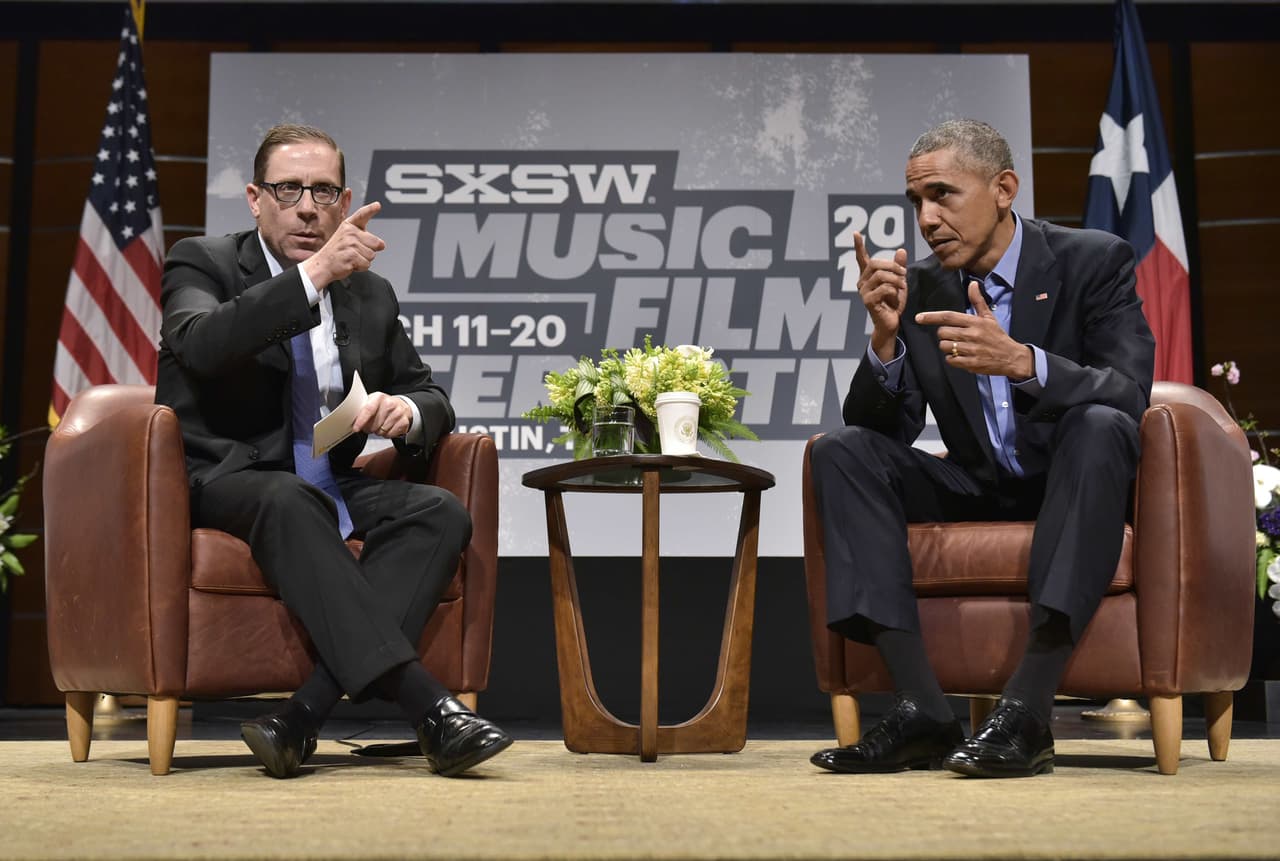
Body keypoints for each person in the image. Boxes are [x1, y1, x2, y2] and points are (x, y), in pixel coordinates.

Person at [155, 123, 512, 779]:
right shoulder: (201, 260)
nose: (308, 206)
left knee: (437, 512)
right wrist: (312, 274)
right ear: (255, 198)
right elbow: (201, 343)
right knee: (290, 497)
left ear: (344, 203)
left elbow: (426, 390)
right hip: (229, 480)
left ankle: (300, 716)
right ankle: (429, 707)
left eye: (323, 191)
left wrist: (407, 412)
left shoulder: (368, 292)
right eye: (289, 189)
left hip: (328, 478)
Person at [808, 119, 1154, 778]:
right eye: (916, 202)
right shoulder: (926, 289)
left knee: (1100, 423)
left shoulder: (1093, 260)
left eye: (942, 194)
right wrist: (884, 343)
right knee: (842, 451)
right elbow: (885, 429)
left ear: (1003, 189)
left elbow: (1129, 392)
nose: (927, 218)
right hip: (976, 484)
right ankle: (923, 710)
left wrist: (1026, 362)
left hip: (1070, 480)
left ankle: (1027, 709)